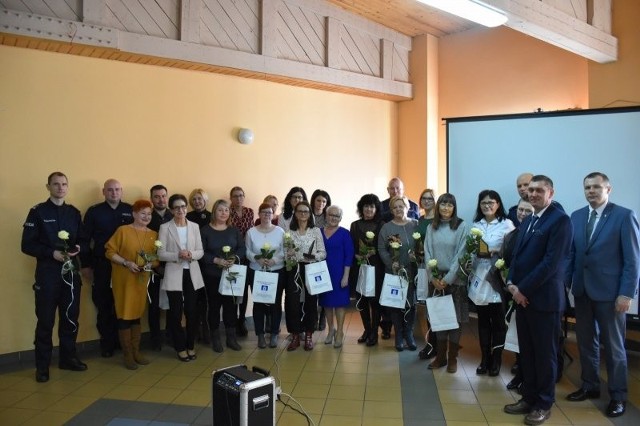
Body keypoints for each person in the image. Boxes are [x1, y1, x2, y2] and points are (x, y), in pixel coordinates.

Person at [565, 172, 640, 418]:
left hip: (611, 295)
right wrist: (566, 284)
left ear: (609, 189)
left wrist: (626, 293)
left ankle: (618, 396)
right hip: (583, 291)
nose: (591, 191)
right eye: (587, 187)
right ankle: (590, 385)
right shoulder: (576, 216)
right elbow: (572, 255)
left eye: (596, 187)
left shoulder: (624, 215)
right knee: (586, 342)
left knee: (615, 348)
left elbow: (632, 261)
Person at [503, 175, 572, 426]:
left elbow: (551, 264)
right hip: (522, 299)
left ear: (550, 193)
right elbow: (516, 256)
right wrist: (511, 284)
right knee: (528, 353)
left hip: (544, 301)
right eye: (530, 190)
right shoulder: (530, 219)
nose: (532, 194)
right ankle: (528, 397)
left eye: (538, 190)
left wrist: (523, 290)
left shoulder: (560, 220)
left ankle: (543, 403)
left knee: (545, 356)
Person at [22, 172, 89, 383]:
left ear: (68, 187)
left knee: (70, 318)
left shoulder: (73, 213)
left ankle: (68, 359)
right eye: (56, 184)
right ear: (48, 187)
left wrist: (77, 249)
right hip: (48, 275)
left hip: (70, 274)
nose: (60, 188)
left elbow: (84, 241)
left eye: (64, 184)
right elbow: (27, 245)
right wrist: (51, 253)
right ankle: (42, 367)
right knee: (45, 321)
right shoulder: (38, 212)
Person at [81, 179, 133, 358]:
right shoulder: (94, 212)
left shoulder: (130, 210)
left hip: (126, 265)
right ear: (104, 192)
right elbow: (84, 240)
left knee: (123, 304)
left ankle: (123, 342)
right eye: (110, 190)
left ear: (122, 191)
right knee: (104, 305)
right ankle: (107, 343)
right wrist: (86, 265)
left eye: (117, 189)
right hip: (102, 265)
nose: (114, 193)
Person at [105, 199, 158, 370]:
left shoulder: (153, 235)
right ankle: (127, 354)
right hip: (123, 279)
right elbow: (109, 252)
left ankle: (136, 352)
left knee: (137, 314)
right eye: (142, 213)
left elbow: (157, 259)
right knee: (124, 314)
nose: (146, 216)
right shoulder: (123, 230)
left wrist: (148, 265)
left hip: (141, 280)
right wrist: (126, 263)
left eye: (149, 214)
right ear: (134, 214)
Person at [470, 190, 514, 376]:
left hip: (496, 279)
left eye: (491, 202)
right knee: (482, 322)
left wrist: (495, 250)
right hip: (479, 279)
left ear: (498, 204)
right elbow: (470, 251)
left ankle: (496, 360)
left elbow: (512, 251)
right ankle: (484, 359)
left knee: (498, 323)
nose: (487, 206)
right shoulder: (475, 225)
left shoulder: (506, 224)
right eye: (483, 203)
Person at [158, 194, 205, 362]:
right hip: (174, 273)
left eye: (183, 206)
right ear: (171, 210)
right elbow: (160, 253)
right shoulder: (165, 228)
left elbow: (200, 251)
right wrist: (178, 255)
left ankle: (190, 345)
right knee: (175, 313)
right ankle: (180, 347)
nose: (181, 210)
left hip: (192, 273)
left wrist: (191, 254)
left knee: (192, 312)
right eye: (177, 207)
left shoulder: (194, 226)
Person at [424, 193, 469, 373]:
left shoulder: (461, 226)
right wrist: (434, 277)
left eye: (449, 205)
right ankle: (441, 356)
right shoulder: (431, 227)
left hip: (455, 280)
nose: (445, 208)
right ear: (438, 207)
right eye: (442, 204)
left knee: (455, 320)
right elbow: (427, 252)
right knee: (440, 318)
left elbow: (461, 254)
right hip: (436, 279)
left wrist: (448, 278)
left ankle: (453, 359)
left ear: (454, 208)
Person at [200, 199, 246, 352]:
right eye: (220, 210)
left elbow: (242, 248)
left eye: (226, 210)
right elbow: (201, 252)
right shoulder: (205, 230)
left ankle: (231, 339)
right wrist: (216, 260)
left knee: (231, 307)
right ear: (214, 212)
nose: (223, 213)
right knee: (214, 307)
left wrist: (234, 258)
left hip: (231, 274)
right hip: (212, 275)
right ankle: (215, 340)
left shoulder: (233, 231)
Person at [284, 200, 326, 351]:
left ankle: (309, 334)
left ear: (310, 214)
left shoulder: (315, 231)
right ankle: (295, 335)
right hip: (293, 269)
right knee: (292, 302)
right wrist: (289, 255)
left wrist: (312, 257)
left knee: (311, 302)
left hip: (311, 268)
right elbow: (286, 254)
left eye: (306, 211)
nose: (303, 214)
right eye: (300, 211)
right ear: (295, 214)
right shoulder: (289, 233)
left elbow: (323, 253)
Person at [378, 195, 419, 352]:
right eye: (395, 207)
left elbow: (421, 246)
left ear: (407, 208)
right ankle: (399, 335)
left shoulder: (414, 225)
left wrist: (417, 256)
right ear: (391, 210)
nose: (398, 209)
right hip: (394, 271)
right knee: (395, 304)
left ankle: (409, 333)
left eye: (401, 206)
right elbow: (381, 248)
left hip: (411, 271)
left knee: (411, 303)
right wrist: (390, 263)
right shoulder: (386, 228)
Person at [503, 198, 534, 392]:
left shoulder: (538, 233)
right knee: (516, 337)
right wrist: (511, 285)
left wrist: (522, 289)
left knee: (531, 342)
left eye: (527, 211)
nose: (522, 214)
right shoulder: (512, 235)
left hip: (530, 294)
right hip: (513, 293)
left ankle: (529, 379)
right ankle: (520, 374)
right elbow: (508, 263)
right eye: (520, 210)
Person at [245, 203, 286, 349]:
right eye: (263, 212)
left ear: (273, 214)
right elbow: (247, 251)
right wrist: (257, 258)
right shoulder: (251, 232)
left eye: (269, 212)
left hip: (276, 271)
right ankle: (260, 335)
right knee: (259, 304)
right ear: (259, 214)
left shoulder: (280, 231)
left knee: (275, 303)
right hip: (257, 271)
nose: (266, 215)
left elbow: (284, 250)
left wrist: (274, 260)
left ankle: (274, 334)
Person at [349, 194, 384, 346]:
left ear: (376, 209)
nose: (369, 209)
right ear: (361, 208)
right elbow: (351, 246)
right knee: (361, 300)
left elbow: (384, 246)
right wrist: (356, 254)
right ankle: (367, 329)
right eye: (366, 206)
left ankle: (374, 332)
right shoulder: (355, 225)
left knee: (375, 302)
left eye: (372, 206)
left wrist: (374, 251)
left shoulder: (382, 225)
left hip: (376, 267)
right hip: (359, 266)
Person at [320, 206, 354, 348]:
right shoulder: (319, 232)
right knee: (327, 304)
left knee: (339, 304)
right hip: (322, 275)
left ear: (340, 218)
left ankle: (339, 332)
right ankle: (330, 330)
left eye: (337, 216)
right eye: (331, 215)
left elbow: (349, 255)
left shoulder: (345, 233)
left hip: (339, 273)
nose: (333, 218)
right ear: (326, 216)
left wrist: (346, 276)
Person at [147, 184, 172, 351]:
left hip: (173, 266)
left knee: (173, 304)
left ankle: (171, 336)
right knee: (153, 305)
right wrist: (156, 266)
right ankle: (155, 339)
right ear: (152, 199)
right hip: (153, 269)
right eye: (157, 196)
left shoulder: (174, 215)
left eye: (163, 196)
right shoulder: (147, 217)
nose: (161, 199)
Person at [186, 188, 211, 344]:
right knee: (193, 299)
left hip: (207, 262)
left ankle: (206, 331)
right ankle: (193, 331)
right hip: (192, 262)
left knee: (206, 299)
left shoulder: (211, 216)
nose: (197, 201)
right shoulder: (187, 217)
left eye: (199, 198)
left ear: (205, 200)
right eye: (194, 199)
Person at [228, 186, 254, 337]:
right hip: (232, 255)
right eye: (235, 196)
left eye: (241, 196)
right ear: (231, 198)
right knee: (233, 290)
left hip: (247, 255)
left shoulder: (249, 211)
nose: (238, 199)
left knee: (244, 290)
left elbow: (250, 232)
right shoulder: (227, 211)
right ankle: (231, 321)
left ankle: (241, 320)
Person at [416, 188, 438, 359]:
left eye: (430, 198)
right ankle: (431, 343)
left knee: (435, 306)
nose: (427, 201)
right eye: (424, 198)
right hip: (422, 267)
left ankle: (436, 344)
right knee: (426, 305)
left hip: (436, 267)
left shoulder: (439, 220)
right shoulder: (420, 220)